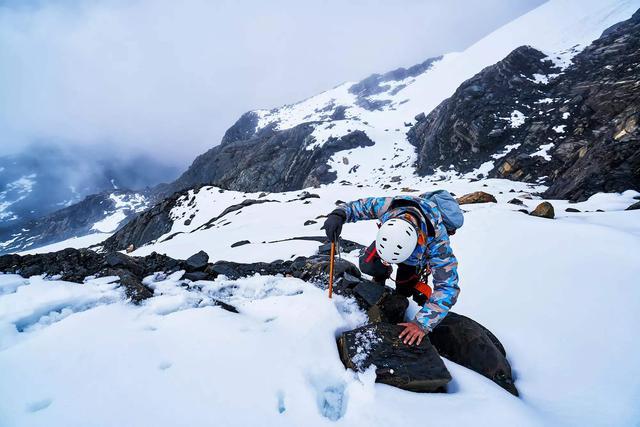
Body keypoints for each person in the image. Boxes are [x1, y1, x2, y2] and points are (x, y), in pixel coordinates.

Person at [322, 193, 461, 346]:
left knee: (404, 289)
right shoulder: (389, 206)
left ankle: (402, 288)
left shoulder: (438, 241)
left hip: (413, 260)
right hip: (389, 243)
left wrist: (422, 324)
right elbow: (358, 207)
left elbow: (448, 286)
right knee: (368, 264)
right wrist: (339, 214)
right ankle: (381, 275)